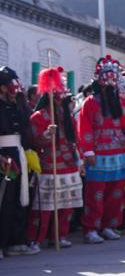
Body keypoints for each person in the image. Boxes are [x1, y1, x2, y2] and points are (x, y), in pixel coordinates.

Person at [77, 57, 125, 244]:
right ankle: (91, 228)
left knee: (116, 193)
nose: (109, 81)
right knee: (96, 194)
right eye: (106, 77)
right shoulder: (90, 102)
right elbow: (84, 128)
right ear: (99, 79)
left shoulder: (122, 102)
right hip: (98, 154)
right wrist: (88, 152)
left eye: (113, 78)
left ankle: (109, 225)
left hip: (119, 153)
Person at [27, 85, 81, 249]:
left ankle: (59, 236)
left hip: (69, 166)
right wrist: (46, 135)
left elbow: (75, 140)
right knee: (44, 207)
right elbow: (33, 141)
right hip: (49, 166)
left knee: (66, 204)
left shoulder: (68, 117)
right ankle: (35, 239)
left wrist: (80, 160)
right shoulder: (38, 116)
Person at [0, 67, 37, 257]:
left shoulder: (17, 105)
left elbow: (27, 127)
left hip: (18, 154)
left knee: (19, 198)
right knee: (4, 201)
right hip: (3, 156)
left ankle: (16, 241)